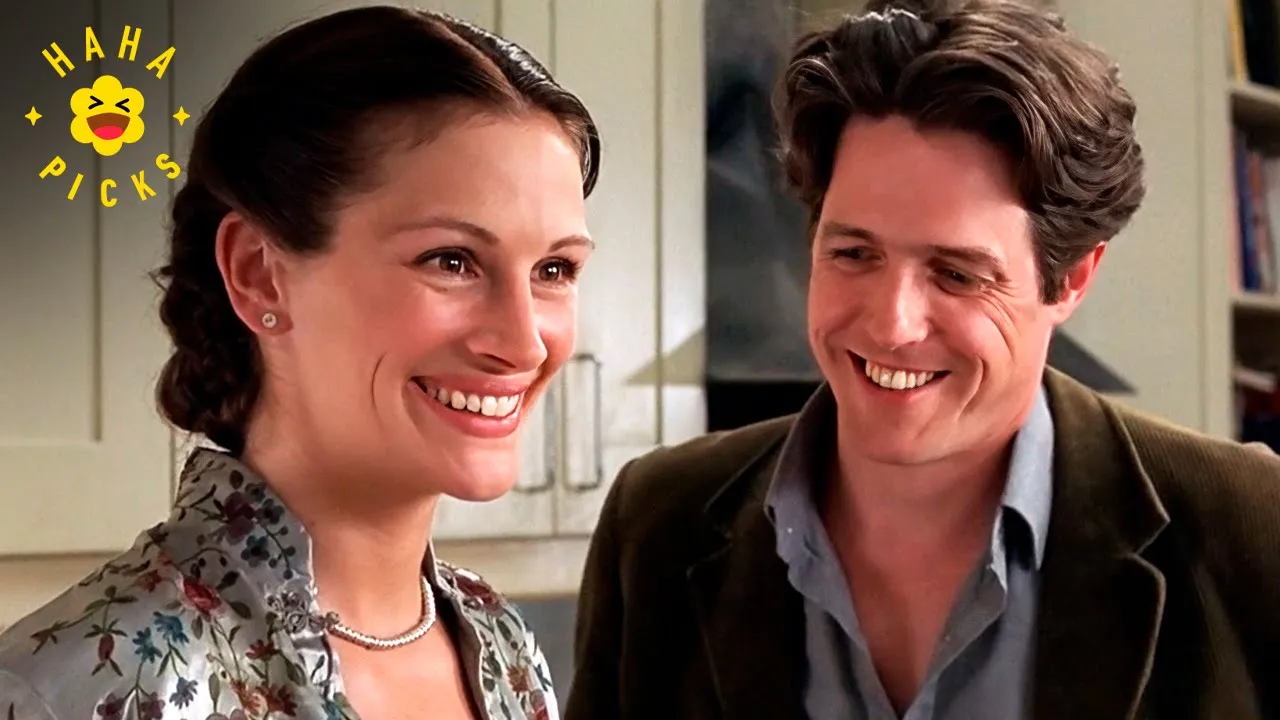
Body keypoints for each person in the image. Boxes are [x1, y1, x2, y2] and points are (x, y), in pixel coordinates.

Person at [566, 1, 1280, 719]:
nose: (892, 324)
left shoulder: (1249, 526)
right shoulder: (659, 524)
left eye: (957, 274)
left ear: (1070, 279)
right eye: (854, 254)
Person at [0, 5, 598, 719]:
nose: (525, 342)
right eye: (451, 260)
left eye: (555, 270)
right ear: (259, 274)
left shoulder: (502, 645)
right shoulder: (87, 684)